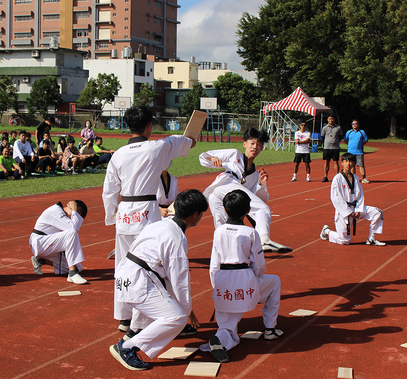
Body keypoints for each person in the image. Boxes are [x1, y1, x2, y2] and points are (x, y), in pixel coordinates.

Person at [102, 105, 196, 332]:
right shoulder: (158, 147)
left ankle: (124, 317)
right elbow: (183, 142)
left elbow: (109, 190)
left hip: (124, 214)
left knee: (124, 265)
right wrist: (191, 139)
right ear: (148, 126)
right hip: (147, 214)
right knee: (154, 266)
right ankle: (150, 318)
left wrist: (112, 216)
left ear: (128, 126)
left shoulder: (118, 154)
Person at [109, 190, 207, 371]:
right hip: (139, 280)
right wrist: (187, 311)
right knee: (176, 317)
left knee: (159, 300)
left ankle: (129, 337)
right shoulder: (176, 238)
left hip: (128, 275)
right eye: (201, 213)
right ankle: (127, 349)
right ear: (195, 214)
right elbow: (180, 281)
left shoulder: (160, 224)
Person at [205, 190, 283, 364]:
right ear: (248, 210)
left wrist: (216, 286)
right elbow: (259, 265)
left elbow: (214, 264)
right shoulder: (251, 233)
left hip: (222, 281)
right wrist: (253, 279)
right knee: (275, 282)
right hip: (245, 280)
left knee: (227, 325)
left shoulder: (219, 232)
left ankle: (221, 338)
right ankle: (270, 328)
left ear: (225, 210)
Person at [199, 127, 292, 254]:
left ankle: (223, 254)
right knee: (262, 209)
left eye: (259, 144)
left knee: (224, 227)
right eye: (252, 143)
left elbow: (258, 199)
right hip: (225, 184)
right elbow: (203, 157)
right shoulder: (234, 154)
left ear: (262, 148)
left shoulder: (254, 175)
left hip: (219, 196)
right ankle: (264, 240)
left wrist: (261, 184)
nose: (255, 147)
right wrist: (212, 159)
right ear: (245, 144)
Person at [319, 153, 385, 246]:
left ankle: (371, 239)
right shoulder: (337, 178)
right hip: (344, 211)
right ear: (342, 163)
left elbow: (360, 195)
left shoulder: (356, 177)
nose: (348, 163)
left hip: (356, 208)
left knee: (377, 212)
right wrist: (348, 211)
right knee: (344, 241)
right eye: (346, 161)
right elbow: (335, 198)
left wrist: (358, 209)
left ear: (354, 163)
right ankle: (327, 231)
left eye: (350, 161)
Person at [30, 200, 89, 284]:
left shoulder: (63, 215)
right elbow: (73, 229)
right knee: (72, 233)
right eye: (74, 215)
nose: (72, 218)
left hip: (49, 245)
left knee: (78, 267)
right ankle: (72, 274)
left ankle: (40, 261)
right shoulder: (56, 211)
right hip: (40, 243)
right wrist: (75, 210)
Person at [344, 119, 370, 184]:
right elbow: (345, 140)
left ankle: (364, 178)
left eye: (356, 124)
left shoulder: (361, 132)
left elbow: (366, 140)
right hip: (350, 152)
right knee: (352, 165)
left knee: (361, 165)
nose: (354, 125)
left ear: (358, 125)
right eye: (353, 124)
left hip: (359, 152)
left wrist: (361, 144)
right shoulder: (349, 132)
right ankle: (353, 178)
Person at [320, 114, 344, 182]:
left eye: (332, 119)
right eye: (330, 119)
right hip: (327, 147)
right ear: (328, 120)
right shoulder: (325, 128)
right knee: (326, 162)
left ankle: (337, 177)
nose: (331, 120)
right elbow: (322, 136)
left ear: (334, 120)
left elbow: (340, 136)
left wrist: (335, 141)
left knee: (336, 162)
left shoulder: (338, 127)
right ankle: (325, 176)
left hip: (335, 147)